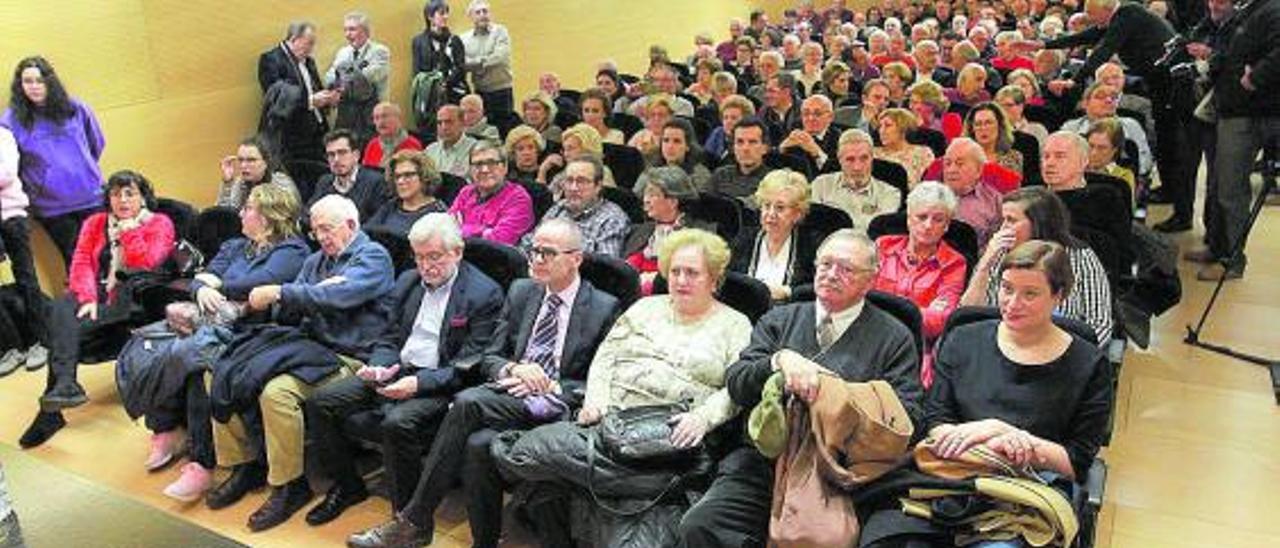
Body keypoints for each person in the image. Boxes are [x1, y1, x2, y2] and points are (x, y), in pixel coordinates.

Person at [347, 219, 621, 548]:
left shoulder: (604, 307)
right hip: (511, 395)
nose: (536, 259)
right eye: (534, 251)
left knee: (469, 406)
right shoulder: (522, 291)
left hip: (561, 406)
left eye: (548, 253)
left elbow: (601, 379)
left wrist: (549, 384)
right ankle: (483, 541)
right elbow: (491, 357)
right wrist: (514, 369)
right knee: (478, 443)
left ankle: (415, 521)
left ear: (576, 259)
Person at [505, 228, 754, 548]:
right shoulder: (644, 308)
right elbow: (606, 359)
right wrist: (595, 401)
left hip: (668, 436)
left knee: (529, 457)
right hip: (613, 421)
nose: (680, 280)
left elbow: (736, 389)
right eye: (675, 271)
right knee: (524, 457)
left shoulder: (735, 325)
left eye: (692, 273)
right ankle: (624, 478)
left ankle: (605, 472)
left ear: (714, 278)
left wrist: (703, 419)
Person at [679, 229, 923, 547]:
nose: (831, 274)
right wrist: (779, 361)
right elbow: (737, 384)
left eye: (846, 269)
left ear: (870, 280)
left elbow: (910, 419)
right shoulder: (779, 319)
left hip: (841, 470)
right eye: (825, 264)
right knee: (701, 526)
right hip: (764, 460)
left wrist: (835, 395)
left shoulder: (894, 337)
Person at [205, 195, 394, 531]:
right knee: (226, 369)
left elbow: (335, 296)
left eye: (327, 228)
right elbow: (299, 303)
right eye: (315, 229)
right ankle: (244, 464)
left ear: (351, 226)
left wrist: (285, 292)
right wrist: (292, 297)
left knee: (277, 392)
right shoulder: (317, 261)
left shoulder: (373, 257)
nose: (320, 236)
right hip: (308, 348)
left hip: (350, 358)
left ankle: (289, 485)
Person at [306, 212, 503, 529]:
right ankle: (348, 486)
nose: (426, 266)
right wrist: (380, 366)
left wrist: (419, 383)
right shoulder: (408, 280)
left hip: (442, 383)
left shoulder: (484, 293)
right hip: (399, 369)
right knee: (321, 402)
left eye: (435, 257)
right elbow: (390, 337)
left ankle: (407, 520)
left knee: (398, 423)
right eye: (419, 257)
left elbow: (471, 365)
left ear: (457, 252)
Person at [150, 184, 310, 502]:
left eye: (248, 208)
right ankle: (167, 429)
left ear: (268, 216)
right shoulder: (237, 245)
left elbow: (255, 285)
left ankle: (201, 462)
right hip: (220, 324)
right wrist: (199, 289)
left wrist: (215, 287)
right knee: (152, 349)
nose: (240, 213)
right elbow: (201, 274)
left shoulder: (292, 250)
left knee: (196, 363)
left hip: (258, 333)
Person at [928, 239, 1112, 486]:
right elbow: (934, 422)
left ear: (1059, 296)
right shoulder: (962, 339)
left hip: (1031, 487)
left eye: (1030, 294)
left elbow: (1076, 462)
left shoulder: (1089, 364)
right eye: (1006, 288)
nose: (1013, 304)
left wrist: (1007, 435)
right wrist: (992, 433)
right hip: (954, 471)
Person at [20, 170, 176, 448]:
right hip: (99, 296)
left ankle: (50, 412)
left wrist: (129, 232)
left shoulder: (159, 223)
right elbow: (80, 262)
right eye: (116, 194)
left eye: (130, 193)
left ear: (143, 197)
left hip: (134, 300)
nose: (123, 200)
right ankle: (64, 387)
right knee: (62, 308)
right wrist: (88, 298)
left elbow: (147, 264)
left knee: (61, 327)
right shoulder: (95, 223)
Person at [1190, 0, 1280, 281]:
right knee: (1222, 185)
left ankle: (1231, 259)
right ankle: (1220, 249)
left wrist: (1256, 77)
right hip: (1236, 108)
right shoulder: (1249, 10)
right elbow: (1234, 51)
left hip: (1253, 110)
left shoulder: (1272, 9)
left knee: (1230, 189)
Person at [960, 187, 1114, 344]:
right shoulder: (998, 254)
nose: (1003, 228)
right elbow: (968, 315)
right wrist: (985, 264)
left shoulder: (1081, 257)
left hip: (1064, 351)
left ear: (1038, 223)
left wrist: (1074, 359)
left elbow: (1100, 323)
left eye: (1011, 220)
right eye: (1003, 220)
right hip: (1000, 347)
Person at [1, 56, 105, 265]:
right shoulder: (10, 120)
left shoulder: (76, 108)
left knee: (105, 259)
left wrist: (82, 169)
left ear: (50, 81)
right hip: (52, 207)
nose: (34, 86)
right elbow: (11, 164)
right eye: (27, 81)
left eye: (40, 80)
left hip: (92, 198)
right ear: (20, 86)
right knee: (76, 264)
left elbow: (97, 143)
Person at [873, 181, 968, 384]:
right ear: (908, 219)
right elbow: (860, 296)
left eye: (938, 219)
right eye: (922, 217)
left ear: (947, 226)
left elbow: (940, 321)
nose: (928, 225)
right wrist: (920, 310)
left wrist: (884, 310)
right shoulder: (882, 247)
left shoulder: (954, 262)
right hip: (872, 337)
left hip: (920, 348)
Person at [0, 124, 47, 374]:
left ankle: (39, 342)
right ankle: (11, 348)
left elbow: (6, 174)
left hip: (11, 217)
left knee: (26, 279)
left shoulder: (3, 135)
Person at [730, 169, 817, 302]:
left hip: (789, 317)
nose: (770, 214)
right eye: (766, 205)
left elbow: (820, 286)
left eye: (780, 208)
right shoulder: (745, 239)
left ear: (797, 214)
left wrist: (788, 292)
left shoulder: (812, 245)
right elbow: (725, 277)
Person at [624, 167, 714, 294]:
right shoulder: (643, 229)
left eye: (652, 195)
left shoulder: (699, 235)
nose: (646, 200)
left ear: (672, 201)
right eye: (645, 194)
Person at [258, 21, 336, 164]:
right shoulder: (271, 60)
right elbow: (277, 98)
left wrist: (328, 97)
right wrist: (310, 101)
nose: (311, 49)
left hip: (319, 131)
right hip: (292, 138)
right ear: (294, 39)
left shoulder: (308, 61)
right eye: (309, 43)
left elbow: (316, 89)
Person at [526, 156, 629, 257]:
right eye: (569, 180)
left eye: (581, 181)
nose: (573, 188)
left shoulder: (612, 219)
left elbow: (604, 268)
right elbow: (528, 243)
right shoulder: (559, 207)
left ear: (598, 186)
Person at [811, 128, 901, 234]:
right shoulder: (821, 185)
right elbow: (814, 227)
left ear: (872, 157)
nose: (857, 167)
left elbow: (878, 232)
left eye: (864, 158)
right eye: (850, 159)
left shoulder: (890, 193)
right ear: (839, 159)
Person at [448, 141, 534, 245]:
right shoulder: (466, 192)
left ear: (505, 167)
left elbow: (500, 240)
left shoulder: (518, 198)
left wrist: (462, 229)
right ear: (470, 169)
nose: (484, 170)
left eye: (492, 163)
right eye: (478, 164)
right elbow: (446, 228)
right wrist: (484, 231)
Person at [1059, 83, 1151, 177]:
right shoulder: (1070, 128)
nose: (1109, 100)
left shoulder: (1131, 125)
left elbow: (1145, 162)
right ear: (1085, 103)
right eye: (1100, 97)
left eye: (1113, 97)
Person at [325, 11, 391, 142]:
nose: (347, 34)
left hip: (371, 118)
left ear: (365, 31)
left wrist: (343, 73)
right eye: (345, 30)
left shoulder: (380, 51)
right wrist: (351, 73)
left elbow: (365, 80)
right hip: (346, 117)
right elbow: (328, 78)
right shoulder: (343, 52)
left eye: (352, 29)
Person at [308, 129, 390, 223]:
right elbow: (309, 213)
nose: (336, 159)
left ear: (356, 155)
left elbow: (378, 223)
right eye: (331, 154)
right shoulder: (325, 182)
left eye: (342, 153)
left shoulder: (375, 182)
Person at [365, 150, 448, 236]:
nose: (400, 181)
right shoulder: (391, 205)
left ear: (424, 176)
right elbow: (366, 232)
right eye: (397, 176)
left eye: (408, 175)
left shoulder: (439, 213)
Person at [939, 137, 1003, 248]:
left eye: (959, 164)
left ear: (978, 170)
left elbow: (999, 245)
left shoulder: (994, 201)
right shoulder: (929, 195)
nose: (951, 170)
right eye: (947, 164)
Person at [216, 135, 300, 210]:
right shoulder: (240, 183)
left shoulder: (281, 185)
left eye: (251, 160)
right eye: (240, 160)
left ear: (266, 162)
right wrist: (228, 182)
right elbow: (225, 218)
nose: (243, 165)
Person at [460, 0, 514, 114]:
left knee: (503, 129)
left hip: (502, 91)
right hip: (480, 92)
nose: (482, 15)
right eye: (478, 12)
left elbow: (500, 57)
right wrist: (485, 60)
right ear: (471, 16)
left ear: (490, 14)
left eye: (485, 11)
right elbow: (461, 62)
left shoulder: (500, 31)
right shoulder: (464, 39)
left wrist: (476, 64)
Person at [412, 1, 469, 105]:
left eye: (447, 13)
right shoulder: (419, 41)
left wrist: (445, 83)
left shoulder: (454, 40)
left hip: (453, 93)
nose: (446, 17)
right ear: (430, 16)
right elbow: (417, 71)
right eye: (441, 13)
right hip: (429, 96)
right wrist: (429, 86)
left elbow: (461, 68)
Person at [708, 117, 771, 202]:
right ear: (733, 147)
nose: (745, 148)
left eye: (752, 142)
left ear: (765, 148)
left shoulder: (772, 180)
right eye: (740, 142)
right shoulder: (720, 175)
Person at [781, 95, 841, 174]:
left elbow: (837, 171)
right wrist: (782, 148)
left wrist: (817, 152)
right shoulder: (792, 130)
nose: (811, 118)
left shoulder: (839, 138)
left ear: (830, 117)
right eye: (806, 113)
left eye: (817, 114)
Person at [876, 108, 936, 187]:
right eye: (880, 126)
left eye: (888, 126)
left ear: (903, 129)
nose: (881, 131)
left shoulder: (923, 153)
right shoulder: (873, 154)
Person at [652, 118, 713, 193]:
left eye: (677, 141)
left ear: (687, 146)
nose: (670, 146)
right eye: (666, 140)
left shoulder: (699, 174)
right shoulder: (652, 170)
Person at [964, 102, 1024, 175]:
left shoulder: (1014, 157)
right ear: (972, 129)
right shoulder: (962, 157)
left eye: (988, 123)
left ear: (1000, 126)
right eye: (978, 124)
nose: (983, 128)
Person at [362, 102, 423, 169]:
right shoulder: (372, 144)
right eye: (376, 118)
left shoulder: (412, 144)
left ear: (398, 118)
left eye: (384, 116)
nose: (380, 122)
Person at [424, 104, 478, 178]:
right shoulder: (430, 150)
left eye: (449, 122)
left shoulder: (475, 149)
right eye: (439, 123)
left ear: (462, 124)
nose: (444, 127)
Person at [1084, 118, 1136, 191]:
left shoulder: (1123, 177)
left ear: (1115, 149)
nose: (1093, 153)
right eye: (1091, 146)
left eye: (1102, 148)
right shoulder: (1075, 170)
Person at [704, 95, 756, 162]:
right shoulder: (717, 133)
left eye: (734, 118)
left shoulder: (752, 137)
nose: (728, 122)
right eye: (725, 118)